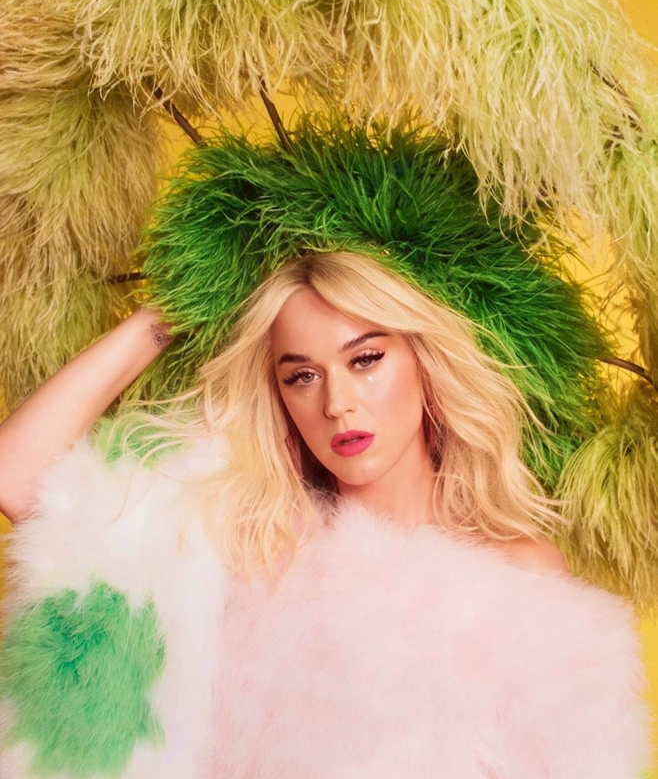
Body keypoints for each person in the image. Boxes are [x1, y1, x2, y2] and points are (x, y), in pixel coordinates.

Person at [0, 252, 650, 778]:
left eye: (365, 359)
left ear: (424, 361)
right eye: (301, 376)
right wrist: (167, 314)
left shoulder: (515, 575)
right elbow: (16, 474)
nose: (337, 402)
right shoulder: (257, 544)